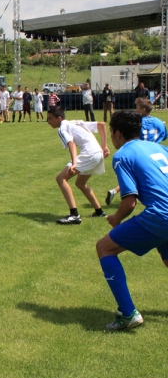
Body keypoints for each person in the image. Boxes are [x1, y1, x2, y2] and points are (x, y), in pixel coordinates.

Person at [95, 109, 168, 331]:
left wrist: (115, 218)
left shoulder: (123, 155)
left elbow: (129, 202)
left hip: (161, 214)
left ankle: (128, 314)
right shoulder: (159, 147)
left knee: (104, 248)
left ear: (117, 133)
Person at [47, 107, 109, 224]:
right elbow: (101, 124)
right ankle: (99, 211)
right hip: (97, 154)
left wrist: (74, 163)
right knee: (80, 183)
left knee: (61, 178)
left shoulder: (62, 128)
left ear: (59, 118)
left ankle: (74, 215)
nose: (48, 122)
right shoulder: (75, 122)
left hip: (89, 155)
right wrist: (104, 146)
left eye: (50, 119)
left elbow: (71, 143)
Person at [106, 98, 167, 205]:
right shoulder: (159, 122)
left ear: (143, 109)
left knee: (137, 177)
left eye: (137, 108)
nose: (136, 110)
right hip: (157, 152)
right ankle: (116, 191)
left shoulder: (138, 123)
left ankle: (118, 192)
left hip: (140, 152)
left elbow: (134, 136)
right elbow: (165, 136)